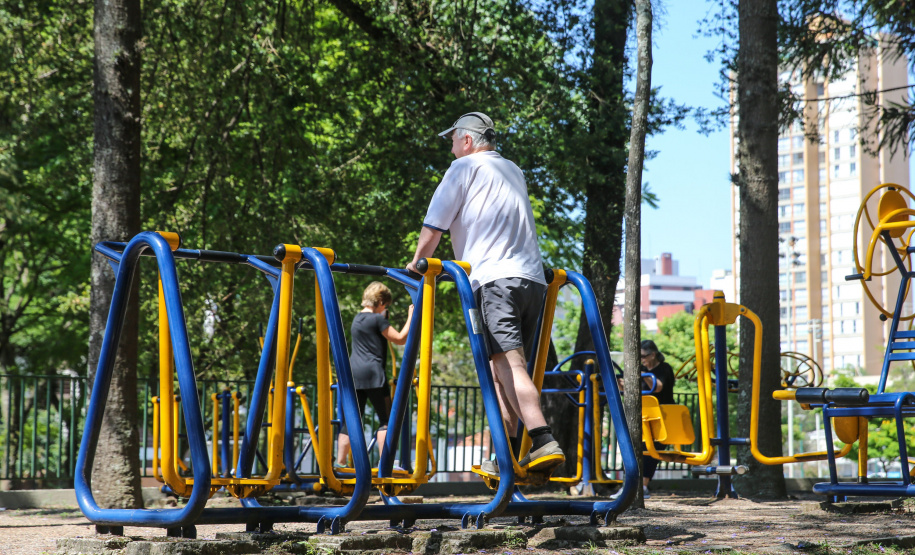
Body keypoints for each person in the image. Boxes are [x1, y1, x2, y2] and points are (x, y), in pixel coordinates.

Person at [406, 112, 563, 476]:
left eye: (452, 139)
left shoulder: (462, 169)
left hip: (495, 280)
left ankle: (542, 438)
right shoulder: (513, 170)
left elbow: (433, 229)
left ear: (467, 140)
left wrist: (417, 265)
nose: (450, 146)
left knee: (510, 365)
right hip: (533, 281)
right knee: (498, 369)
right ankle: (506, 455)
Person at [336, 282, 414, 467]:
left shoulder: (357, 319)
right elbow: (400, 338)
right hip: (373, 373)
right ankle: (386, 462)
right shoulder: (378, 320)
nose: (385, 309)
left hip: (354, 374)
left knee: (352, 419)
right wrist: (412, 316)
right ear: (380, 301)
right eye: (385, 306)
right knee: (386, 419)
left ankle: (339, 463)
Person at [615, 339, 676, 499]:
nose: (641, 360)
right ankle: (629, 485)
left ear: (653, 354)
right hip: (644, 415)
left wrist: (644, 375)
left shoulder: (664, 368)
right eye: (639, 357)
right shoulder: (641, 369)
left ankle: (643, 486)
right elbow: (631, 391)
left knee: (650, 450)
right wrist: (622, 385)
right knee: (635, 447)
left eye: (643, 356)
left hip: (661, 415)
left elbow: (657, 387)